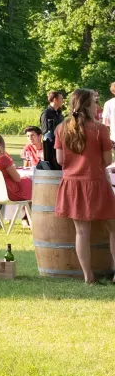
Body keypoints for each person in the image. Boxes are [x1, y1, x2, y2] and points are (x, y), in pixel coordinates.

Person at [53, 88, 115, 284]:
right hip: (96, 183)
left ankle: (88, 276)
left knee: (81, 232)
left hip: (72, 185)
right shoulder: (100, 130)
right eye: (95, 102)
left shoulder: (61, 128)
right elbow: (107, 160)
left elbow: (60, 160)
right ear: (88, 105)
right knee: (113, 228)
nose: (97, 106)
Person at [39, 90, 66, 171]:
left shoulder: (59, 114)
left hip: (61, 145)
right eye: (61, 98)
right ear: (55, 100)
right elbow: (45, 132)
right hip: (51, 148)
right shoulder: (46, 114)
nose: (63, 100)